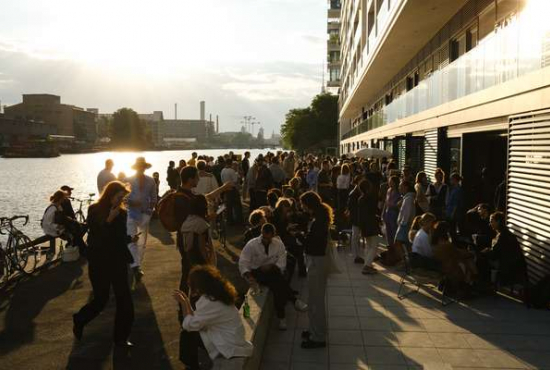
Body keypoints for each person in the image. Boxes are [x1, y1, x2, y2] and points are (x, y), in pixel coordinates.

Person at [73, 181, 137, 348]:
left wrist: (130, 239)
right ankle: (80, 319)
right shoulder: (94, 210)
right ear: (109, 195)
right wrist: (109, 219)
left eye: (123, 198)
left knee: (125, 302)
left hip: (117, 261)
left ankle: (121, 339)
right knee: (101, 300)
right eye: (118, 197)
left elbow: (119, 237)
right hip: (99, 261)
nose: (120, 201)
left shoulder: (122, 214)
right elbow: (97, 238)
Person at [173, 265, 253, 369]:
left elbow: (189, 325)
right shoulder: (218, 295)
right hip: (231, 339)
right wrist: (187, 303)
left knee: (187, 334)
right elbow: (196, 319)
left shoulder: (209, 301)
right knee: (190, 333)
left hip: (228, 346)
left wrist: (183, 304)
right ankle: (191, 365)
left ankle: (191, 366)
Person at [239, 223, 308, 331]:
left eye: (269, 238)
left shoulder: (278, 244)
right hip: (258, 271)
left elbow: (282, 262)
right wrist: (249, 275)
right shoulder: (252, 245)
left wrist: (271, 265)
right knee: (278, 281)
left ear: (273, 235)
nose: (267, 240)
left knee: (277, 286)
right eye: (265, 238)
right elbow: (243, 262)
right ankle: (293, 300)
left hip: (273, 271)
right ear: (262, 233)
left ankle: (282, 318)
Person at [299, 191, 332, 349]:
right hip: (317, 260)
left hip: (317, 261)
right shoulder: (320, 217)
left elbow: (314, 243)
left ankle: (318, 337)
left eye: (303, 204)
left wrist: (301, 238)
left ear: (308, 204)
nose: (301, 207)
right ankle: (314, 329)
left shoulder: (319, 221)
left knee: (316, 301)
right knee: (313, 299)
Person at [126, 157, 158, 283]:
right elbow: (122, 198)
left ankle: (136, 264)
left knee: (142, 242)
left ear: (145, 168)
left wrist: (149, 212)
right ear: (136, 167)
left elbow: (154, 198)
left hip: (145, 214)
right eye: (139, 166)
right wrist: (131, 202)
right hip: (131, 214)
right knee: (132, 240)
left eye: (142, 167)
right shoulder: (127, 180)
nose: (141, 168)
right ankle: (136, 267)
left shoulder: (151, 181)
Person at [479, 212, 527, 286]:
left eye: (492, 221)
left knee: (481, 260)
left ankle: (486, 284)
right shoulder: (504, 232)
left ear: (498, 221)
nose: (490, 224)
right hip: (511, 263)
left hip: (508, 265)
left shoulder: (502, 235)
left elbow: (494, 254)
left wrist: (485, 251)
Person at [357, 180, 380, 275]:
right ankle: (367, 266)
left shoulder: (360, 199)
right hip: (371, 224)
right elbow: (374, 211)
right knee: (374, 246)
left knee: (368, 245)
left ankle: (368, 265)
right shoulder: (371, 198)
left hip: (364, 225)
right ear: (367, 188)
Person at [41, 190, 68, 257]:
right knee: (70, 232)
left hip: (53, 227)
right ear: (60, 198)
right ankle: (70, 246)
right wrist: (59, 227)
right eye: (64, 198)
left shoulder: (58, 206)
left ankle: (69, 245)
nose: (64, 199)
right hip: (50, 229)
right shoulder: (53, 208)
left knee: (70, 227)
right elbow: (48, 223)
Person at [220, 159, 243, 225]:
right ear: (231, 163)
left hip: (225, 189)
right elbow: (236, 180)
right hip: (232, 189)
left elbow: (222, 180)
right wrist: (239, 177)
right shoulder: (232, 171)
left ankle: (229, 221)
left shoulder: (223, 170)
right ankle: (239, 221)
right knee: (237, 206)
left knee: (228, 206)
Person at [347, 175, 364, 263]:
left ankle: (357, 255)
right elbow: (352, 208)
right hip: (356, 218)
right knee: (355, 237)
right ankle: (356, 256)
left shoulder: (357, 192)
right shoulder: (355, 193)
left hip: (357, 218)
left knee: (356, 237)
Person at [382, 175, 401, 248]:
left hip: (394, 213)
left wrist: (393, 205)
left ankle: (395, 245)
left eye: (391, 182)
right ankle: (390, 245)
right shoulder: (389, 190)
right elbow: (385, 202)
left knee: (394, 229)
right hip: (388, 212)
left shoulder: (398, 192)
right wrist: (383, 212)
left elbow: (398, 204)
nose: (389, 183)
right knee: (388, 230)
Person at [446, 173, 465, 240]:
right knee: (452, 229)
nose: (450, 181)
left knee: (452, 229)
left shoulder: (457, 190)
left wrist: (452, 214)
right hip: (450, 211)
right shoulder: (454, 189)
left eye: (451, 179)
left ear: (454, 180)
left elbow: (456, 204)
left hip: (453, 213)